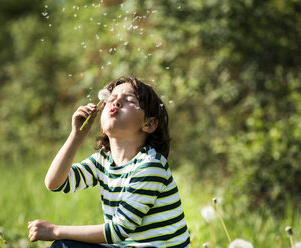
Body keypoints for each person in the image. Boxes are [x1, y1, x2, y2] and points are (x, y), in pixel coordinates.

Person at [28, 77, 190, 247]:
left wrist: (55, 230)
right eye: (111, 98)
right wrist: (76, 136)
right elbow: (55, 183)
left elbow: (117, 230)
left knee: (64, 244)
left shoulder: (150, 166)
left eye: (129, 100)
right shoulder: (104, 160)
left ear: (149, 123)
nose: (117, 101)